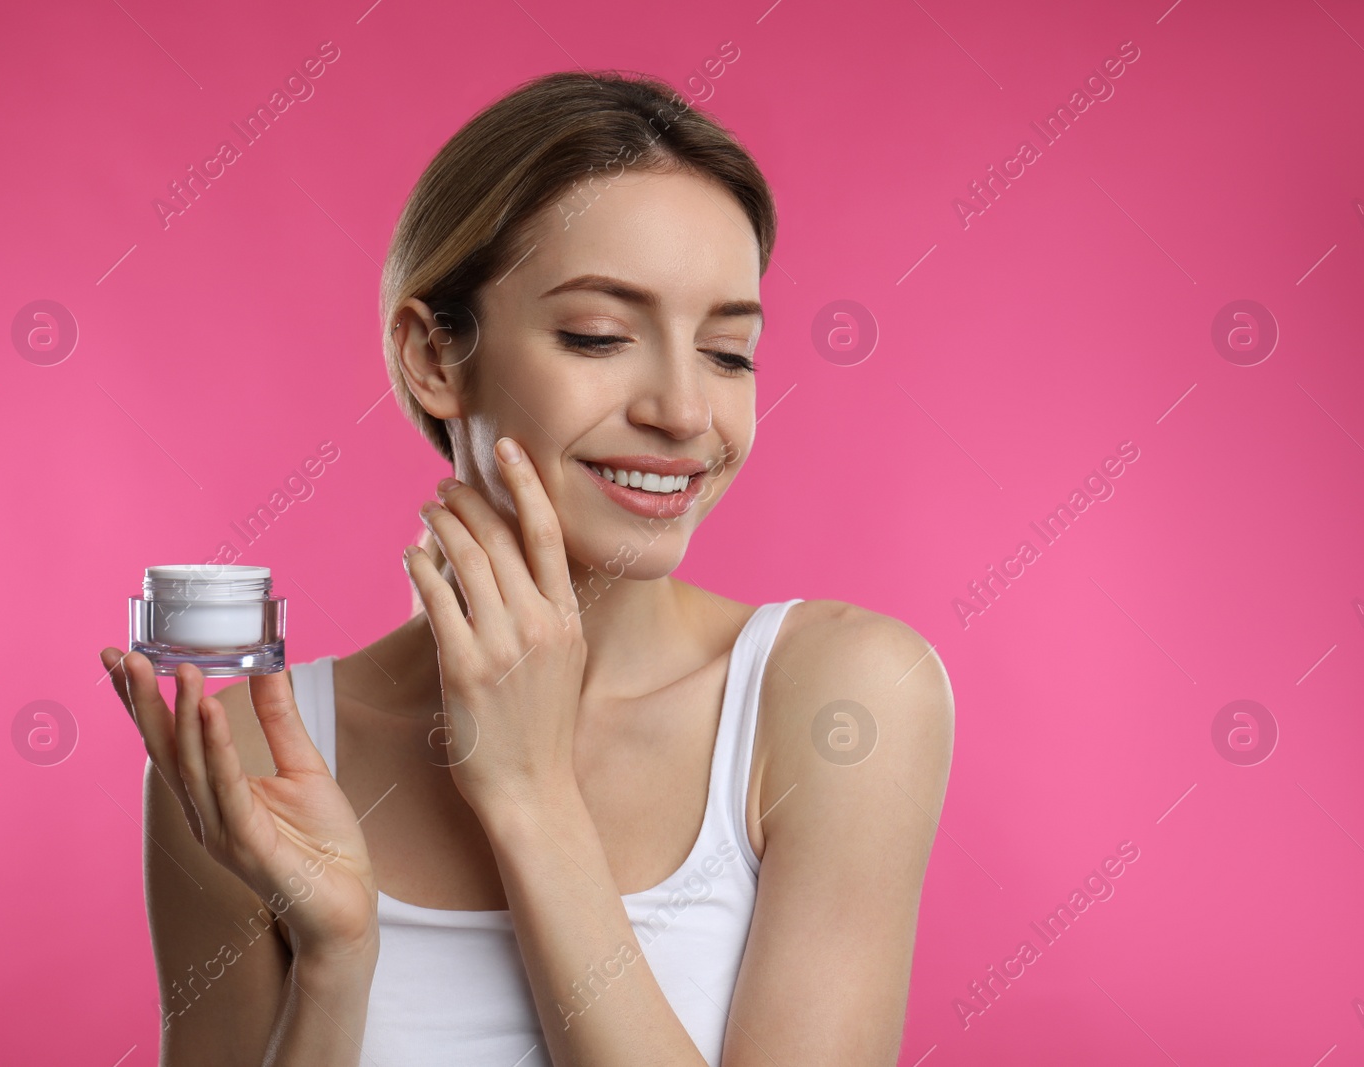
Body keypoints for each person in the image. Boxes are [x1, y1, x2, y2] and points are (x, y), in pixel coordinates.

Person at [100, 69, 954, 1067]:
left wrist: (531, 793)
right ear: (433, 355)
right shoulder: (248, 753)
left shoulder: (842, 696)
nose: (684, 411)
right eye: (599, 335)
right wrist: (333, 957)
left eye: (728, 351)